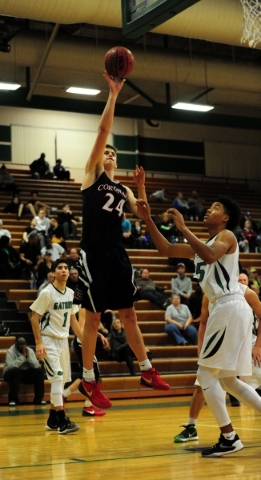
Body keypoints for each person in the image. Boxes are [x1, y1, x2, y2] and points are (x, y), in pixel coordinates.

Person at [136, 194, 261, 457]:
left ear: (225, 218)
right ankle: (229, 436)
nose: (208, 210)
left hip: (228, 306)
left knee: (205, 377)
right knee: (229, 381)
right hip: (226, 309)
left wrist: (183, 227)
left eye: (215, 208)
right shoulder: (202, 244)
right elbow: (166, 249)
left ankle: (229, 437)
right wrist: (148, 219)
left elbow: (211, 256)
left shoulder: (226, 236)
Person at [75, 70, 170, 411]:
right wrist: (113, 94)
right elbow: (103, 131)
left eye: (115, 152)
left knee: (129, 314)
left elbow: (144, 214)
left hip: (117, 253)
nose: (110, 154)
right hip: (93, 253)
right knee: (94, 317)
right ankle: (88, 379)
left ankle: (146, 370)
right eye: (107, 152)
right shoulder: (90, 174)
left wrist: (141, 189)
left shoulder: (123, 188)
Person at [174, 273, 261, 443]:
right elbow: (204, 323)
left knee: (221, 380)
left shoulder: (246, 293)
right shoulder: (209, 295)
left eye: (244, 279)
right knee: (206, 381)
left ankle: (229, 436)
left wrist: (258, 345)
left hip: (247, 344)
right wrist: (201, 346)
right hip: (221, 342)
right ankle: (193, 426)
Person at [30, 258, 81, 434]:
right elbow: (34, 318)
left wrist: (86, 339)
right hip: (48, 340)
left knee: (60, 380)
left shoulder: (71, 293)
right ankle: (62, 420)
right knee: (57, 378)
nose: (64, 270)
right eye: (60, 268)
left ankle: (52, 419)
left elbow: (73, 320)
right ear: (53, 273)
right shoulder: (47, 292)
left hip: (63, 341)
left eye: (66, 268)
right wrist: (38, 343)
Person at [3, 337, 46, 406]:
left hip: (25, 373)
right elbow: (10, 366)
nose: (22, 347)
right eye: (20, 345)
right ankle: (13, 399)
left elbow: (36, 365)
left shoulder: (30, 350)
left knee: (39, 372)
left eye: (24, 345)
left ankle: (39, 399)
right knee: (14, 372)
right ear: (16, 344)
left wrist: (28, 357)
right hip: (11, 373)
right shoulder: (10, 351)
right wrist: (23, 357)